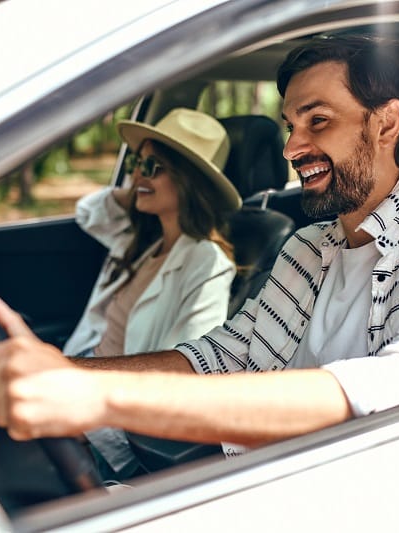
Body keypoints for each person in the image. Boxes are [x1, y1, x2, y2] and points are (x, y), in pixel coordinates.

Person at [0, 36, 399, 460]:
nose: (293, 146)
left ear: (386, 125)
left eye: (317, 121)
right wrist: (69, 373)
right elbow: (217, 358)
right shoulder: (309, 248)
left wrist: (100, 396)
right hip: (250, 482)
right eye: (290, 124)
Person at [61, 108, 241, 476]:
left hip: (108, 418)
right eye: (137, 162)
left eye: (153, 166)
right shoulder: (142, 240)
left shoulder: (206, 263)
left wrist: (86, 423)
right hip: (80, 374)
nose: (138, 173)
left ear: (189, 181)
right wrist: (139, 186)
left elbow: (186, 370)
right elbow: (88, 212)